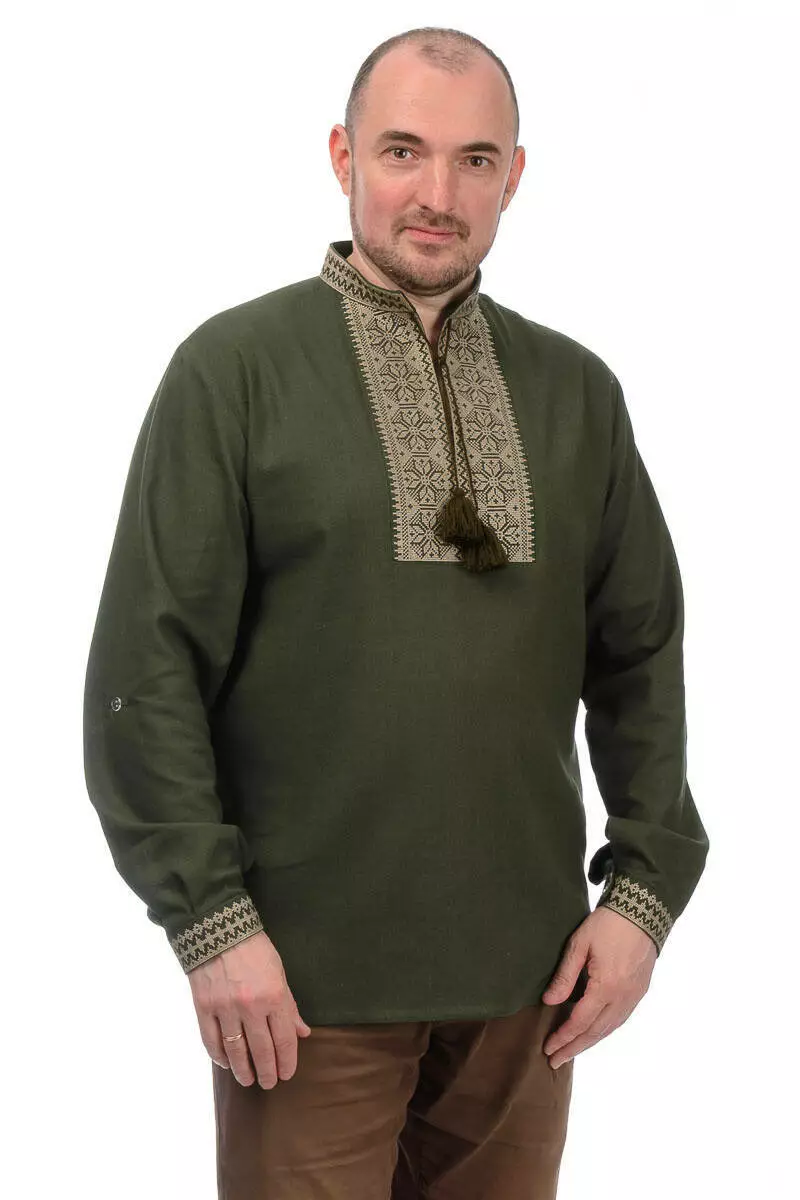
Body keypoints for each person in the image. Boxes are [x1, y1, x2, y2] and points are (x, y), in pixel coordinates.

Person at [82, 24, 710, 1200]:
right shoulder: (234, 371)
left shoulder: (576, 391)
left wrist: (641, 897)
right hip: (300, 994)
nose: (437, 194)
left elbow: (641, 657)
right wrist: (210, 924)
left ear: (513, 176)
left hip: (528, 995)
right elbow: (146, 671)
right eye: (402, 151)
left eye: (475, 160)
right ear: (342, 156)